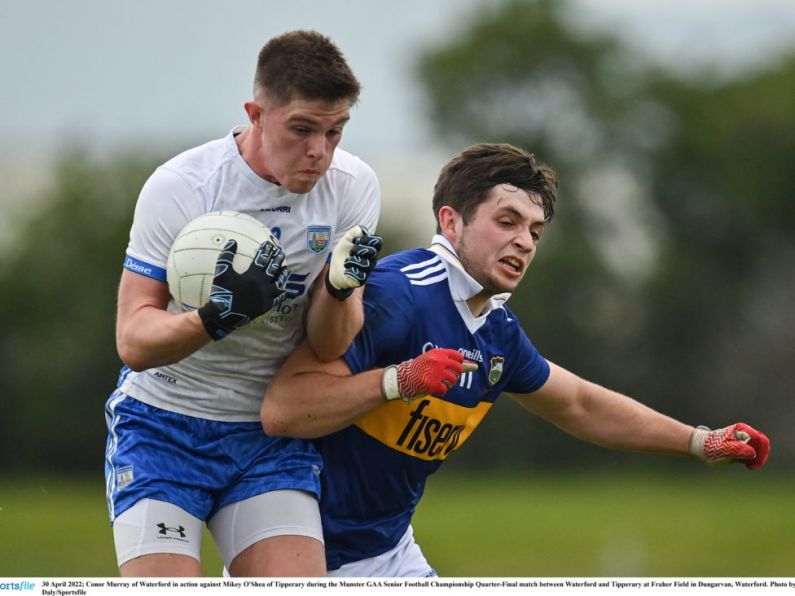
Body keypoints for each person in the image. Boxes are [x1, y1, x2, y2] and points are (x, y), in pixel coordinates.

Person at [261, 142, 771, 577]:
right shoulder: (399, 293)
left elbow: (576, 404)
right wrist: (400, 380)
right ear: (450, 221)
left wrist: (699, 441)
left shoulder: (496, 328)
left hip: (389, 552)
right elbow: (284, 408)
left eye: (535, 231)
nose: (524, 242)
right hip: (301, 556)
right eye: (507, 221)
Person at [104, 30, 383, 577]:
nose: (319, 152)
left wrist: (339, 290)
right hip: (164, 427)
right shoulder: (182, 187)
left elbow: (330, 344)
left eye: (335, 130)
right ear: (256, 114)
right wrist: (214, 318)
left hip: (267, 436)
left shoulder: (353, 187)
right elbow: (133, 341)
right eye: (301, 129)